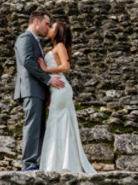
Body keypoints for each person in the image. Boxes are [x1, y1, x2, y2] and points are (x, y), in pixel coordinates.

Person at [38, 21, 95, 173]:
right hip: (57, 89)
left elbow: (65, 67)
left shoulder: (60, 46)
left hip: (61, 88)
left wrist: (46, 69)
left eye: (52, 27)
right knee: (58, 123)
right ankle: (61, 162)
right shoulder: (56, 47)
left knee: (55, 123)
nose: (49, 28)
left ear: (58, 32)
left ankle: (57, 163)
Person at [14, 9, 65, 171]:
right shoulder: (25, 38)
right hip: (30, 90)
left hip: (38, 92)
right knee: (33, 126)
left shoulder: (35, 41)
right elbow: (28, 62)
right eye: (46, 24)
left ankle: (36, 162)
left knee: (39, 128)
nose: (47, 28)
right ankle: (28, 164)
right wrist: (48, 80)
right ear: (36, 21)